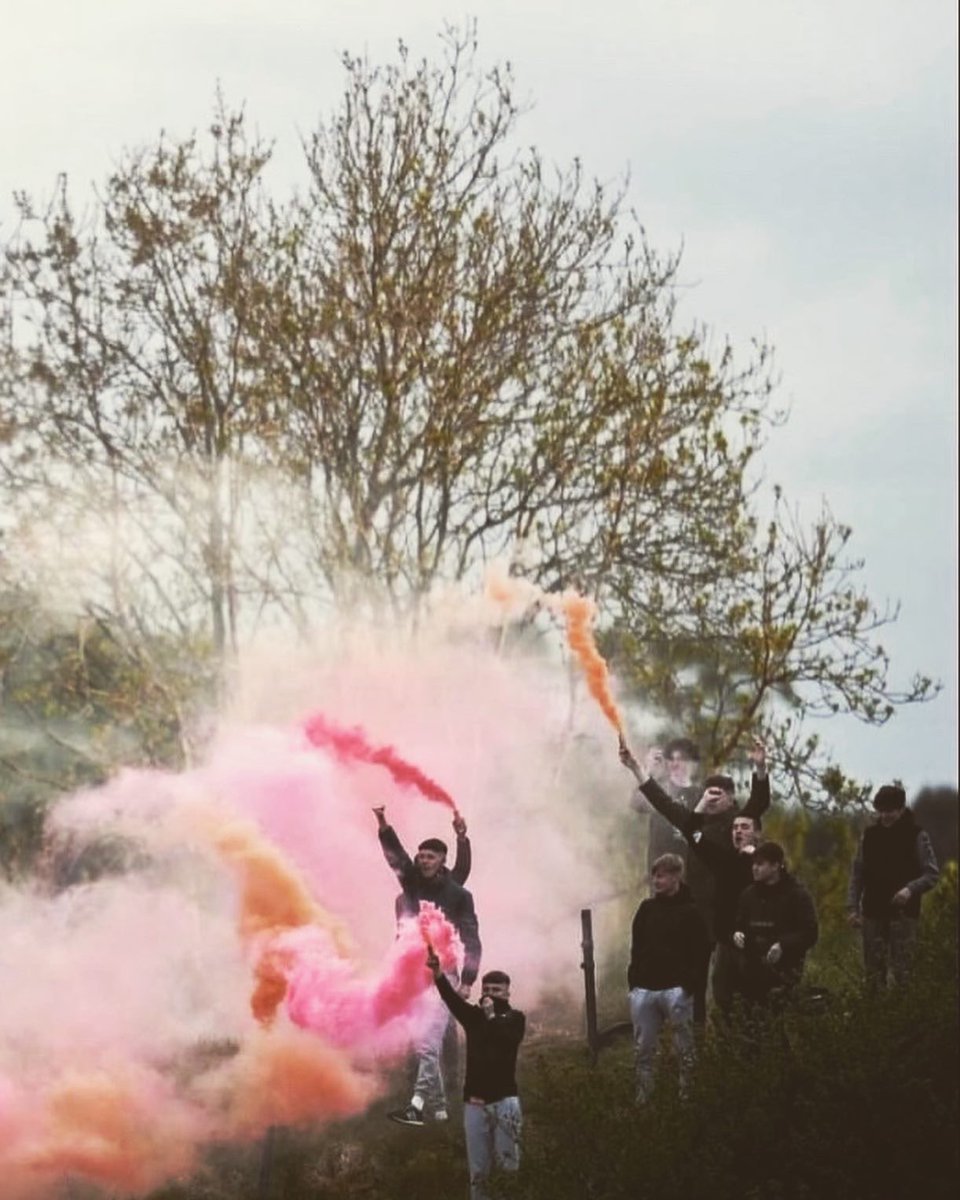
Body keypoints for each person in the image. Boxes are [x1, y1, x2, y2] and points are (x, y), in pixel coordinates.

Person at [620, 737, 770, 1023]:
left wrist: (761, 768)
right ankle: (699, 1040)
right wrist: (636, 769)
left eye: (719, 794)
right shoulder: (695, 825)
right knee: (695, 982)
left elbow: (759, 802)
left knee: (740, 986)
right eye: (709, 792)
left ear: (730, 796)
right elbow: (663, 803)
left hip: (733, 918)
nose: (713, 798)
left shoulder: (738, 822)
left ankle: (745, 1040)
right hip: (699, 915)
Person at [374, 806, 482, 1125]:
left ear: (442, 861)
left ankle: (442, 1095)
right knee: (418, 1033)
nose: (423, 861)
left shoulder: (456, 891)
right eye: (421, 856)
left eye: (430, 857)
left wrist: (467, 979)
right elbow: (397, 857)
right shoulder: (410, 885)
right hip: (411, 971)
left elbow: (472, 937)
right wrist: (383, 824)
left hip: (443, 973)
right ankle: (433, 1105)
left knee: (440, 1033)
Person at [426, 946, 525, 1200]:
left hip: (505, 1103)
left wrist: (491, 1015)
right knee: (478, 1172)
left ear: (507, 992)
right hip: (475, 1104)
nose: (490, 995)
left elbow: (507, 1041)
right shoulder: (473, 1017)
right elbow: (451, 999)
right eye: (487, 990)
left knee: (509, 1167)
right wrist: (438, 974)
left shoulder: (515, 1018)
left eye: (496, 990)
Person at [627, 852, 710, 1103]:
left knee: (685, 1049)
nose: (656, 880)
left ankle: (687, 1100)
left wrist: (689, 986)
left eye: (661, 875)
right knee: (643, 1050)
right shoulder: (646, 909)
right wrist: (634, 983)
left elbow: (701, 952)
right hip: (645, 990)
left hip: (677, 990)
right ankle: (643, 1100)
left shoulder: (691, 912)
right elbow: (637, 946)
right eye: (654, 875)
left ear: (676, 876)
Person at [846, 783, 939, 988]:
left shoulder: (916, 835)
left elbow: (932, 873)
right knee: (872, 974)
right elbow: (858, 873)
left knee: (904, 972)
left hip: (904, 915)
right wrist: (852, 908)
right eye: (882, 811)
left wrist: (910, 889)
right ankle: (874, 1016)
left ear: (901, 809)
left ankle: (905, 1018)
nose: (885, 815)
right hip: (872, 912)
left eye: (890, 811)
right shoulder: (869, 836)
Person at [732, 842, 818, 1011]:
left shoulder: (797, 895)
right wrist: (736, 934)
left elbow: (810, 933)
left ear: (776, 866)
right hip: (751, 971)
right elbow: (739, 924)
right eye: (753, 864)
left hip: (784, 971)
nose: (754, 868)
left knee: (778, 1023)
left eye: (760, 864)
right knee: (750, 1024)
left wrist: (783, 944)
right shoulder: (748, 894)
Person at [630, 736, 701, 869]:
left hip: (690, 867)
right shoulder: (658, 790)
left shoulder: (699, 794)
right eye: (672, 759)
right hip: (659, 864)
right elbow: (636, 803)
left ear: (692, 763)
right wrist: (648, 771)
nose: (676, 764)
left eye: (681, 759)